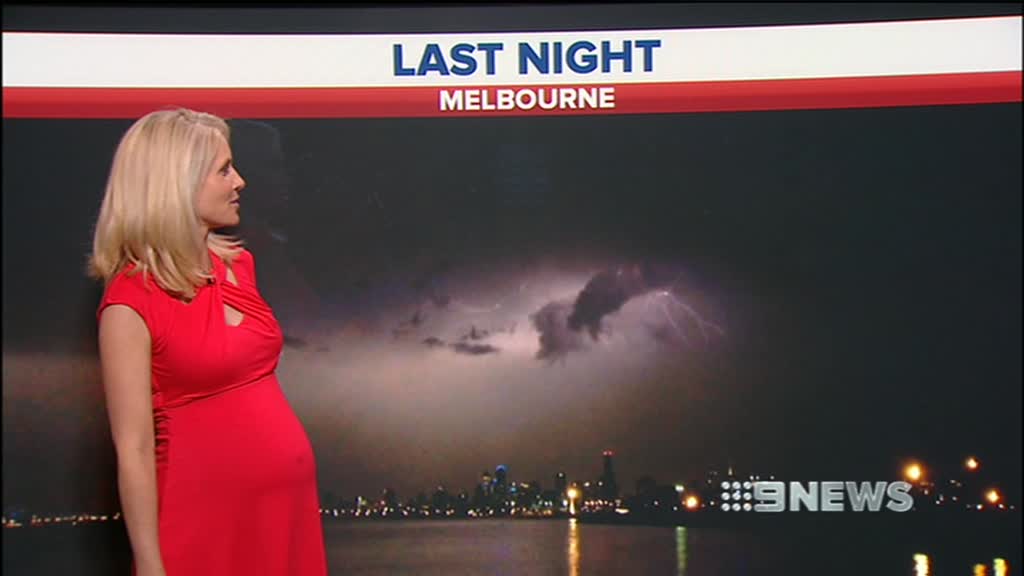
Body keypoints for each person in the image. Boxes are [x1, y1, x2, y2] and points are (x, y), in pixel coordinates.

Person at [89, 108, 327, 576]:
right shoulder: (129, 303)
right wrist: (151, 565)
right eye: (224, 170)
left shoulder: (240, 266)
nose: (240, 182)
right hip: (202, 522)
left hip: (282, 514)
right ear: (177, 184)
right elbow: (133, 449)